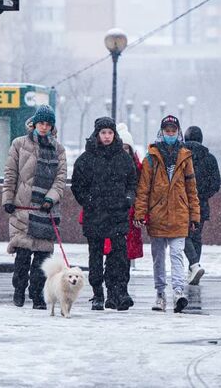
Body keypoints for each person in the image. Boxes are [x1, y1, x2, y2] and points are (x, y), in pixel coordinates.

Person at [2, 105, 67, 309]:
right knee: (22, 255)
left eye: (48, 124)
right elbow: (10, 173)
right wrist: (8, 199)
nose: (44, 127)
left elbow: (60, 179)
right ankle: (19, 291)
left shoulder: (58, 149)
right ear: (35, 123)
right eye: (41, 123)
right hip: (22, 207)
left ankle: (37, 294)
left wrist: (50, 199)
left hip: (46, 210)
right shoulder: (19, 144)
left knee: (42, 259)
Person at [133, 115, 200, 313]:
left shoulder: (185, 156)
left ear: (178, 132)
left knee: (177, 255)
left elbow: (191, 189)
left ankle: (178, 292)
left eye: (173, 130)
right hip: (158, 215)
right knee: (158, 257)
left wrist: (194, 215)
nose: (170, 133)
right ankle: (160, 293)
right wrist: (140, 213)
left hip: (179, 213)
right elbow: (143, 188)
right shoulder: (151, 158)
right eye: (167, 130)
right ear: (162, 131)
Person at [71, 117, 137, 311]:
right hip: (95, 214)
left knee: (119, 256)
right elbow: (77, 185)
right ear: (97, 135)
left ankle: (118, 292)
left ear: (114, 134)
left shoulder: (123, 158)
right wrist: (88, 201)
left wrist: (127, 199)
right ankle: (98, 293)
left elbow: (132, 182)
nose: (107, 136)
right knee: (95, 255)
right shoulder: (86, 158)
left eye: (110, 133)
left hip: (117, 213)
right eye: (103, 133)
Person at [182, 125, 220, 285]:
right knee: (196, 237)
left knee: (182, 235)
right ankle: (194, 268)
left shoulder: (181, 156)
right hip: (201, 204)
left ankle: (194, 265)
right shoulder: (209, 158)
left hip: (182, 203)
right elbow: (216, 183)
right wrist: (202, 196)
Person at [116, 123, 145, 265]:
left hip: (131, 215)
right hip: (114, 215)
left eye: (126, 148)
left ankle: (122, 284)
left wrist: (140, 214)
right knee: (114, 255)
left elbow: (142, 192)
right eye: (121, 147)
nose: (124, 150)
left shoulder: (138, 168)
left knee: (127, 254)